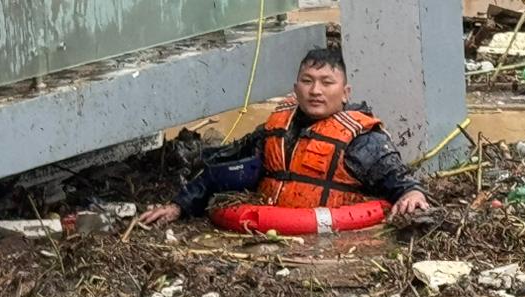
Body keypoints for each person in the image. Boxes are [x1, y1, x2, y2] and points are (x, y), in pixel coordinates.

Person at [141, 48, 428, 225]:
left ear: (345, 92)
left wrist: (412, 195)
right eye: (307, 81)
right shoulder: (277, 128)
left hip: (334, 238)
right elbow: (222, 170)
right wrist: (178, 206)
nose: (315, 91)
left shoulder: (365, 141)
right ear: (295, 87)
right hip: (270, 232)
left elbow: (403, 184)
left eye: (327, 83)